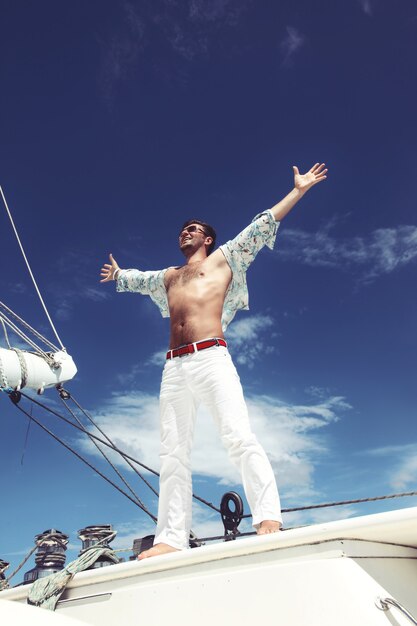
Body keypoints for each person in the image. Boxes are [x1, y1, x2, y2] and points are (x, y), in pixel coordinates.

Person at [100, 163, 327, 559]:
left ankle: (267, 516)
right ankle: (169, 537)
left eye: (192, 229)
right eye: (182, 229)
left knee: (238, 436)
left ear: (207, 238)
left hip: (211, 359)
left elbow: (261, 226)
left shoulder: (225, 259)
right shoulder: (169, 277)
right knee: (172, 452)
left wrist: (299, 191)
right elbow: (138, 279)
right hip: (174, 367)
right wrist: (120, 275)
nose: (184, 232)